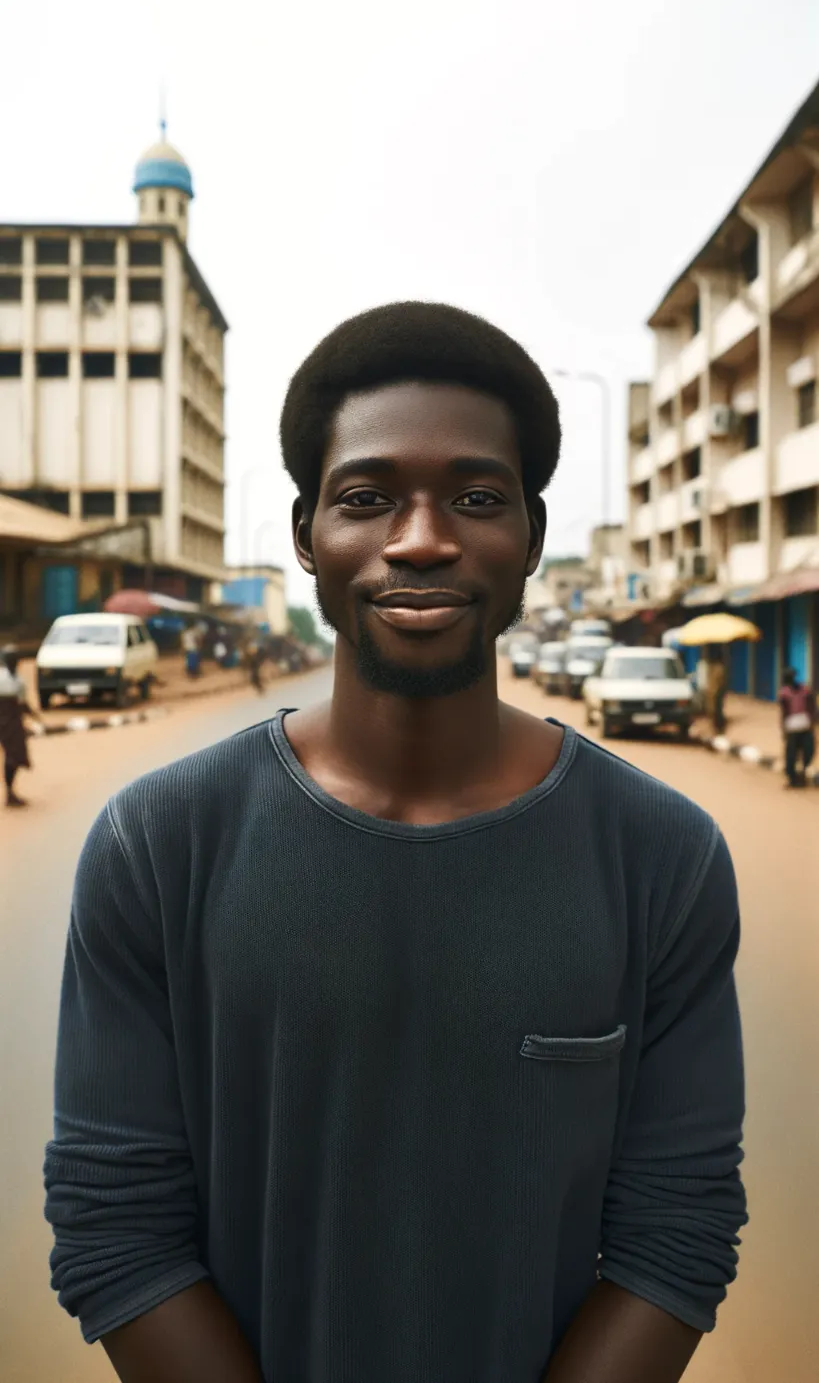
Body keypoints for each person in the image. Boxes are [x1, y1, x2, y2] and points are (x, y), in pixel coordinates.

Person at [45, 302, 747, 1383]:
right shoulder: (158, 844)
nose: (422, 539)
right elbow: (116, 1225)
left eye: (476, 496)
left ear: (533, 538)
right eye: (368, 499)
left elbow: (676, 1231)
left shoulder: (662, 857)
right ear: (306, 536)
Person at [0, 647, 40, 808]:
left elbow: (23, 704)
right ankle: (9, 792)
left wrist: (35, 716)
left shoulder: (19, 681)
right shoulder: (2, 678)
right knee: (11, 756)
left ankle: (10, 791)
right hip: (5, 721)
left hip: (13, 722)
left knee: (14, 756)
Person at [778, 665, 816, 788]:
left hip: (804, 725)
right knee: (791, 755)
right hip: (793, 727)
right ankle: (793, 778)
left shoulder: (804, 690)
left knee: (808, 751)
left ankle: (802, 773)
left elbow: (811, 706)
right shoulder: (784, 693)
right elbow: (784, 712)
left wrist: (812, 721)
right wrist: (784, 728)